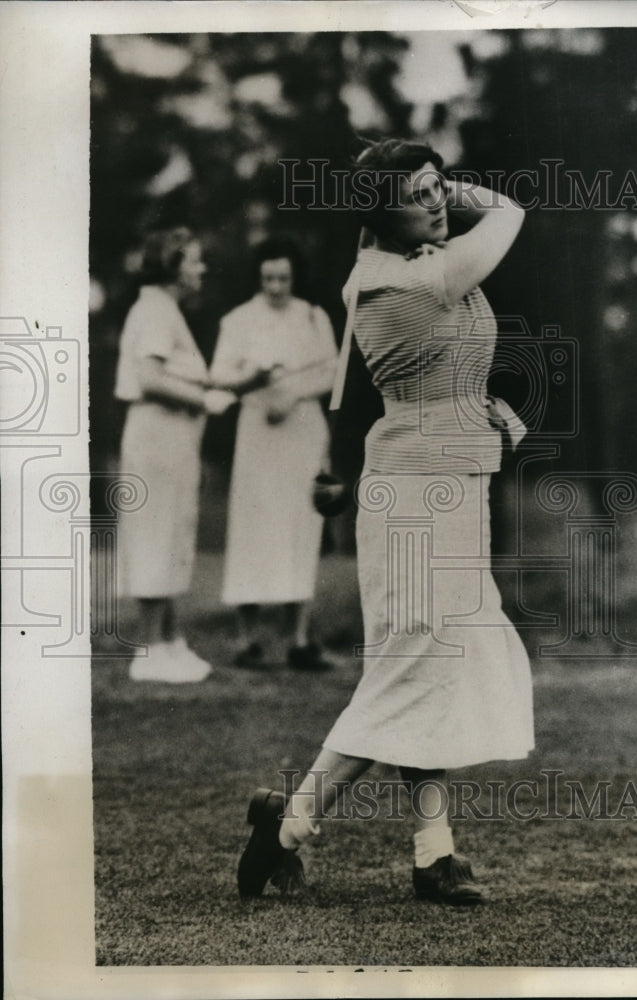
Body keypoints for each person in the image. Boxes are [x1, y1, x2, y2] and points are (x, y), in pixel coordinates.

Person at [237, 139, 534, 904]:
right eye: (418, 194)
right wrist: (442, 193)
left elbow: (447, 370)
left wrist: (482, 405)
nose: (437, 202)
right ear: (378, 213)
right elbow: (508, 211)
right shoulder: (395, 282)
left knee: (428, 668)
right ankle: (290, 826)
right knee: (410, 668)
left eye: (440, 187)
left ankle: (434, 853)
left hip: (454, 484)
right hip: (411, 497)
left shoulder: (419, 258)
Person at [210, 238, 338, 671]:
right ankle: (248, 640)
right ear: (258, 278)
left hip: (302, 430)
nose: (276, 286)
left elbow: (331, 371)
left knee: (299, 529)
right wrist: (253, 376)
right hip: (259, 433)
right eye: (268, 278)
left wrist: (295, 394)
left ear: (294, 277)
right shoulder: (239, 320)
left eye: (283, 277)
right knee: (254, 528)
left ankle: (298, 639)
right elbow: (219, 375)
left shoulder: (312, 316)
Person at [115, 227, 236, 683]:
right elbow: (149, 379)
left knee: (169, 535)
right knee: (154, 535)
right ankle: (148, 650)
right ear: (172, 265)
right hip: (156, 437)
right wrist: (204, 400)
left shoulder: (165, 311)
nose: (201, 268)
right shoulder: (154, 311)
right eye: (195, 260)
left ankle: (168, 641)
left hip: (172, 439)